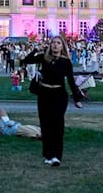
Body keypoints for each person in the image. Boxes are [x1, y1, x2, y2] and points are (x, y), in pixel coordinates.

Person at [23, 36, 84, 167]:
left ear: (62, 46)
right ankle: (48, 154)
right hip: (44, 94)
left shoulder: (66, 62)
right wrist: (35, 50)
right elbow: (26, 61)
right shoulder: (44, 58)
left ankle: (57, 156)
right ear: (50, 46)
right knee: (45, 125)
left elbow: (71, 81)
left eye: (58, 43)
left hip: (59, 95)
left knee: (57, 124)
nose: (55, 45)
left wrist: (77, 98)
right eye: (53, 43)